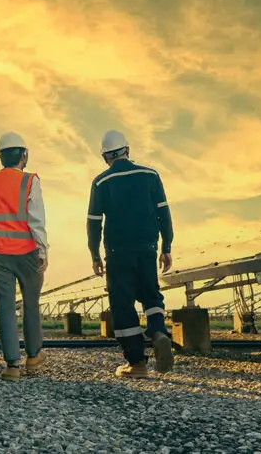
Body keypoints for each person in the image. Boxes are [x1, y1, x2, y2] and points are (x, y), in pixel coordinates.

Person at [87, 130, 174, 378]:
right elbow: (164, 214)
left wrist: (94, 254)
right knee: (151, 294)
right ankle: (158, 331)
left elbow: (93, 222)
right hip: (148, 247)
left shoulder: (101, 182)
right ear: (128, 150)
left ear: (105, 156)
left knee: (123, 304)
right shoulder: (150, 175)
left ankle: (136, 363)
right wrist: (166, 247)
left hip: (117, 251)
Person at [0, 132, 49, 381]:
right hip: (27, 253)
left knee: (5, 308)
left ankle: (12, 366)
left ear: (1, 157)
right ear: (23, 155)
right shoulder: (30, 181)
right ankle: (33, 356)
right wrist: (43, 251)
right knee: (31, 303)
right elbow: (36, 218)